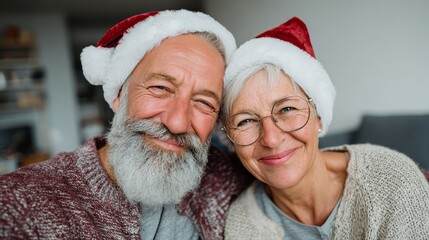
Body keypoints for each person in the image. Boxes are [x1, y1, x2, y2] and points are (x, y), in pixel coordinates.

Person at [0, 9, 247, 239]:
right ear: (119, 94)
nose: (177, 122)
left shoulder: (222, 177)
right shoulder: (21, 202)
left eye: (204, 102)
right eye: (160, 88)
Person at [222, 17, 429, 239]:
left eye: (287, 109)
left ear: (318, 117)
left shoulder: (392, 181)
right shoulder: (241, 225)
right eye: (245, 121)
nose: (271, 139)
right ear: (231, 140)